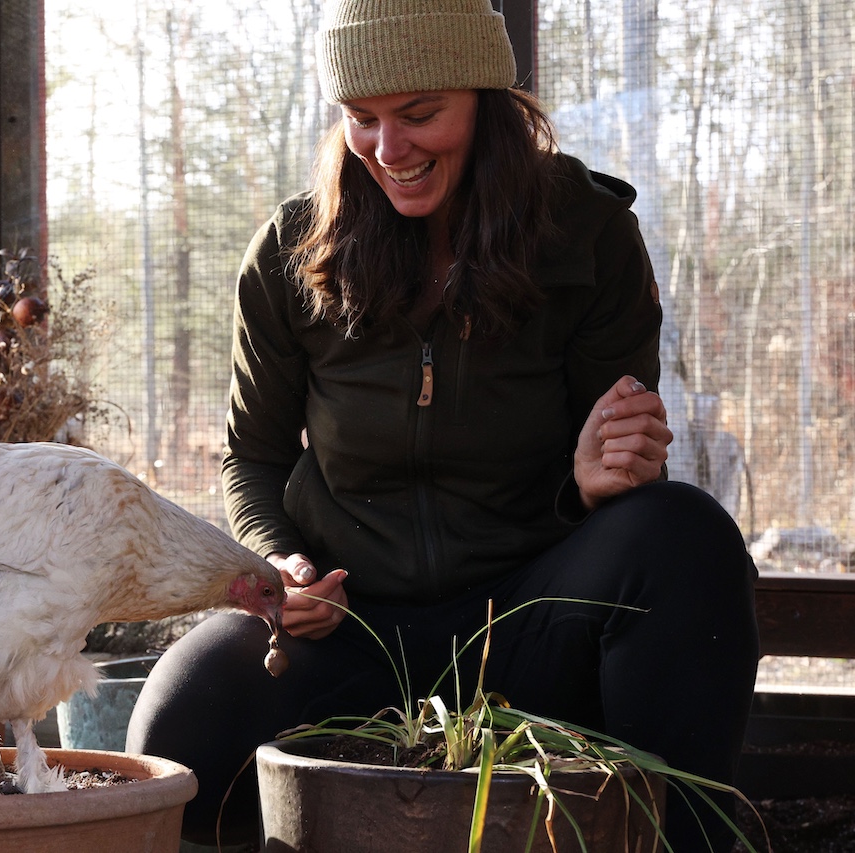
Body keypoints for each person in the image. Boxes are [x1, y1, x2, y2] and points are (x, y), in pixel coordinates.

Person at [126, 1, 760, 850]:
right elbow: (254, 455)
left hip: (531, 626)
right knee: (180, 724)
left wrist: (597, 481)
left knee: (686, 537)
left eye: (420, 114)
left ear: (487, 98)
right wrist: (279, 565)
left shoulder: (590, 237)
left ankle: (682, 837)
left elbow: (620, 460)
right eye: (363, 119)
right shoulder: (290, 254)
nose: (390, 150)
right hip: (350, 629)